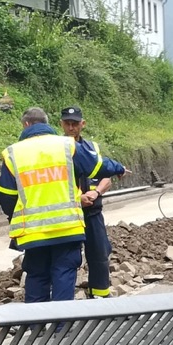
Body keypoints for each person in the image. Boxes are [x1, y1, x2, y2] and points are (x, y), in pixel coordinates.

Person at [0, 107, 126, 303]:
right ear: (49, 124)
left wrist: (18, 218)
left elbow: (6, 196)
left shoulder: (12, 153)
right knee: (63, 272)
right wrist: (120, 168)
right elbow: (98, 166)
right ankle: (61, 326)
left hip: (34, 230)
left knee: (37, 275)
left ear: (26, 125)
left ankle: (36, 325)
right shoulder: (66, 146)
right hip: (66, 227)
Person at [60, 105, 121, 298]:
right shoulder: (57, 150)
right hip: (69, 213)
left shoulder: (91, 148)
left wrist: (95, 193)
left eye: (75, 124)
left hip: (93, 211)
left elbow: (105, 175)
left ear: (82, 124)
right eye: (67, 123)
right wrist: (79, 198)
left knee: (100, 253)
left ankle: (100, 294)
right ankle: (64, 301)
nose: (71, 127)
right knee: (67, 259)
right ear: (61, 124)